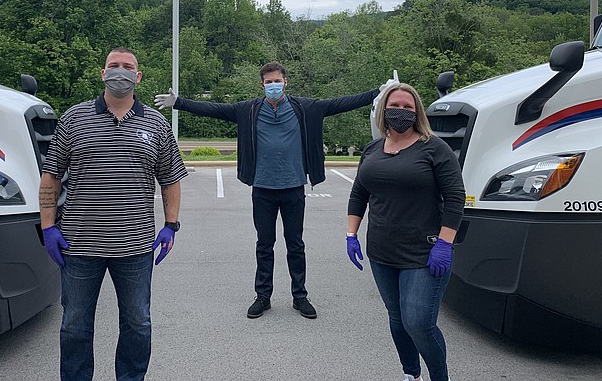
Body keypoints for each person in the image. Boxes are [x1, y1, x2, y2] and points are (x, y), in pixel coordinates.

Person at [155, 62, 387, 320]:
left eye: (278, 81)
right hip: (262, 189)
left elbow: (341, 103)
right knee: (264, 245)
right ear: (262, 85)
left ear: (285, 82)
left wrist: (377, 92)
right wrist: (178, 103)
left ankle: (300, 297)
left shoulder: (305, 108)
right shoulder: (248, 110)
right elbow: (214, 109)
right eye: (268, 82)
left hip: (294, 188)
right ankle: (263, 297)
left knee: (295, 244)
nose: (273, 86)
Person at [40, 47, 187, 381]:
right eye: (113, 66)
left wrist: (171, 225)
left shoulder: (157, 124)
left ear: (138, 77)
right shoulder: (74, 118)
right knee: (75, 326)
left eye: (127, 67)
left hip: (135, 247)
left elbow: (170, 179)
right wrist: (48, 226)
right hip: (79, 246)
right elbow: (51, 175)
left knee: (138, 324)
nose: (119, 71)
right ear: (102, 73)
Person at [346, 82, 465, 381]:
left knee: (418, 323)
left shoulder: (434, 148)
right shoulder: (372, 149)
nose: (401, 112)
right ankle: (411, 374)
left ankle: (440, 377)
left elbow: (455, 197)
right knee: (398, 320)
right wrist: (351, 234)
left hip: (424, 252)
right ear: (384, 110)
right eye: (395, 106)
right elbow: (359, 193)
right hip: (382, 252)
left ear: (418, 112)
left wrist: (444, 243)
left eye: (408, 107)